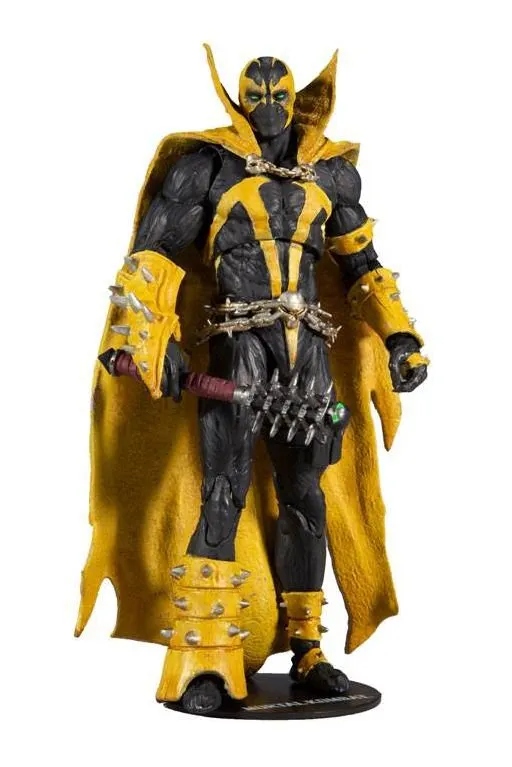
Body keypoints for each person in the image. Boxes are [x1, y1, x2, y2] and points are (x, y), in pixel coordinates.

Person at [77, 45, 428, 715]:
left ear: (299, 101)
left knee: (306, 498)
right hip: (238, 349)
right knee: (223, 491)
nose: (269, 106)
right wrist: (152, 337)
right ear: (238, 99)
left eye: (279, 95)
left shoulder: (331, 175)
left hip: (309, 358)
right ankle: (203, 659)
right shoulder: (208, 167)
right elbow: (152, 252)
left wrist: (400, 337)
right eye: (256, 95)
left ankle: (307, 649)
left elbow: (364, 265)